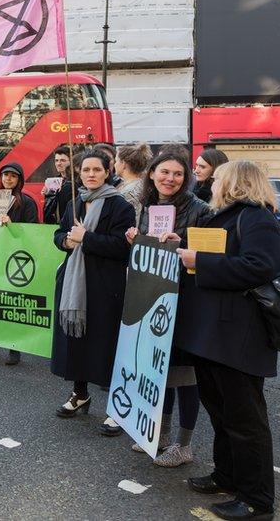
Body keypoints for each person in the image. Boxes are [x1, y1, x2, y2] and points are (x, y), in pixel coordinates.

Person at [174, 160, 280, 521]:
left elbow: (259, 266)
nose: (212, 182)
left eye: (219, 178)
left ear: (236, 182)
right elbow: (220, 252)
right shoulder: (225, 215)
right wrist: (182, 246)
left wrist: (200, 261)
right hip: (212, 332)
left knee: (245, 420)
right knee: (221, 412)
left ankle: (257, 500)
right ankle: (227, 476)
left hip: (238, 335)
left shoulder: (257, 218)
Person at [124, 146, 211, 467]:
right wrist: (136, 240)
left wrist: (184, 242)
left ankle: (184, 445)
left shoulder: (201, 209)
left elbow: (212, 252)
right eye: (164, 172)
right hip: (153, 299)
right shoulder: (146, 207)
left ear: (185, 178)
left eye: (177, 174)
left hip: (186, 302)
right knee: (161, 371)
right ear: (151, 174)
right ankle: (159, 433)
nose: (170, 178)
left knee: (186, 376)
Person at [51, 149, 135, 436]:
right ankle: (80, 393)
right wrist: (66, 242)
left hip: (105, 286)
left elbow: (121, 247)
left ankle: (117, 408)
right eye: (85, 170)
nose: (90, 175)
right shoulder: (76, 202)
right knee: (76, 341)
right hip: (74, 283)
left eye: (96, 170)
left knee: (105, 344)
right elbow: (59, 234)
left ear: (107, 171)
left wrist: (86, 238)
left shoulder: (119, 206)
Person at [0, 162, 39, 364]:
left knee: (11, 302)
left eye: (13, 176)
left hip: (15, 257)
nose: (8, 179)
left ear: (19, 179)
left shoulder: (27, 202)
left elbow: (32, 232)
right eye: (5, 175)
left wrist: (12, 225)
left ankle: (14, 348)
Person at [114, 143, 152, 220]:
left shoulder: (128, 192)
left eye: (116, 161)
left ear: (123, 163)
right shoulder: (143, 184)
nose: (115, 165)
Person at [43, 146, 77, 225]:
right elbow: (50, 205)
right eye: (56, 160)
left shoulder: (76, 181)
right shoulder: (55, 180)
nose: (59, 163)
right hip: (56, 223)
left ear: (71, 162)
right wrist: (48, 193)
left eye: (63, 160)